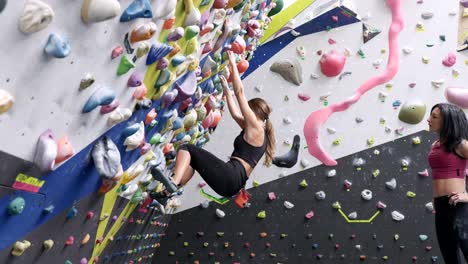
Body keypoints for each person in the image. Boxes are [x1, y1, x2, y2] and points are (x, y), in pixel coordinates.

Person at [151, 50, 275, 198]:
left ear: (255, 110)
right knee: (192, 162)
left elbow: (240, 92)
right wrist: (227, 92)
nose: (245, 112)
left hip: (231, 176)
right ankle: (166, 194)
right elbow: (235, 114)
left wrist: (233, 63)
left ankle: (173, 182)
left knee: (186, 148)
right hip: (232, 186)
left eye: (248, 109)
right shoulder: (256, 132)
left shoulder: (256, 127)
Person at [427, 103, 468, 263]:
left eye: (434, 117)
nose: (429, 119)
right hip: (441, 206)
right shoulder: (435, 146)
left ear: (448, 121)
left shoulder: (461, 144)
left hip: (458, 207)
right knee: (450, 257)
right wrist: (437, 197)